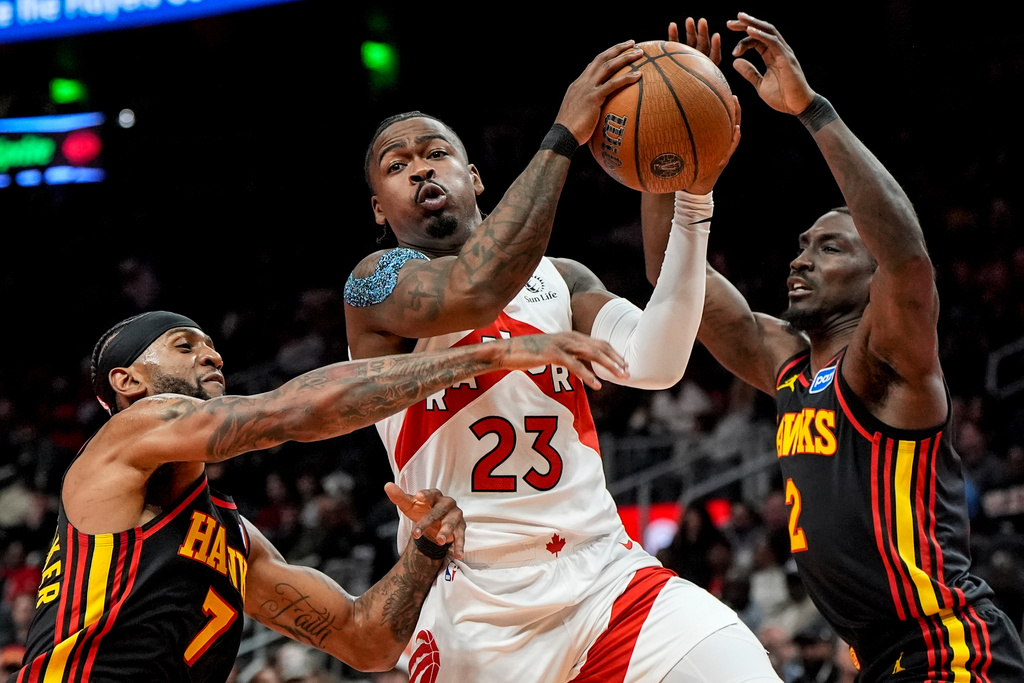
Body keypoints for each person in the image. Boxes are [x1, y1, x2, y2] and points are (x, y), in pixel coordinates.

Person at [344, 26, 781, 683]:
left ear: (475, 174)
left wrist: (691, 192)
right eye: (398, 165)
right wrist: (563, 135)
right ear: (379, 206)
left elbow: (656, 361)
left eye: (436, 153)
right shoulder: (379, 285)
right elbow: (474, 287)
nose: (421, 168)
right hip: (473, 599)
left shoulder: (563, 279)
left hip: (600, 572)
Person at [642, 12, 1024, 682]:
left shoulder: (886, 363)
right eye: (799, 247)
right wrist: (673, 161)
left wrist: (811, 109)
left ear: (872, 273)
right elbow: (670, 281)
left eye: (828, 247)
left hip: (952, 650)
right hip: (880, 658)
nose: (800, 259)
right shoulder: (784, 359)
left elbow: (907, 255)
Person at [8, 309, 629, 682]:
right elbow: (291, 413)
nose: (212, 351)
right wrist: (491, 354)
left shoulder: (233, 538)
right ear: (127, 380)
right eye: (184, 345)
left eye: (208, 341)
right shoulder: (128, 434)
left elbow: (364, 641)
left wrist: (425, 550)